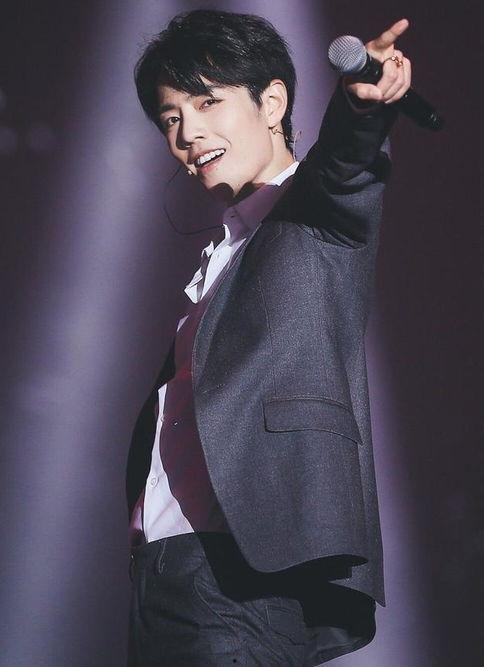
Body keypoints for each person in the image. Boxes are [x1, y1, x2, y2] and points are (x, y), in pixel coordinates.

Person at [126, 9, 411, 666]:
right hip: (162, 577)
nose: (188, 132)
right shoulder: (222, 252)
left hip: (240, 575)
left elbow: (344, 166)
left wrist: (360, 105)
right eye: (170, 118)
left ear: (273, 102)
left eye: (207, 102)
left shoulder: (312, 217)